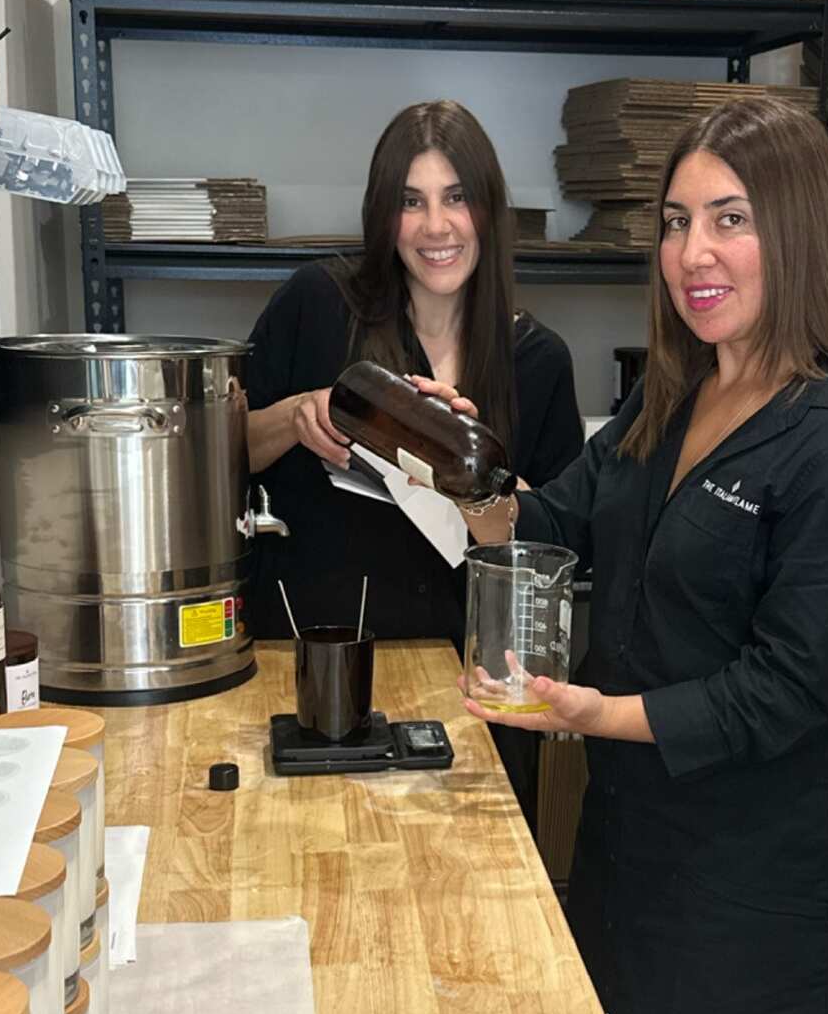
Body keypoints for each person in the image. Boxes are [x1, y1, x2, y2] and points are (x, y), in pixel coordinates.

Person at [425, 95, 828, 1014]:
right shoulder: (664, 407)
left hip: (762, 866)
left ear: (793, 232)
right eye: (676, 221)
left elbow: (795, 684)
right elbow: (545, 520)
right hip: (639, 848)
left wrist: (591, 713)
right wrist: (440, 452)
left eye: (729, 219)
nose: (692, 251)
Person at [245, 100, 583, 817]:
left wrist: (477, 475)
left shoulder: (537, 362)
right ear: (382, 214)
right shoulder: (317, 304)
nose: (437, 227)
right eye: (411, 202)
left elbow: (543, 560)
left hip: (467, 692)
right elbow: (229, 453)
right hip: (316, 674)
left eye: (456, 198)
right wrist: (299, 411)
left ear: (489, 211)